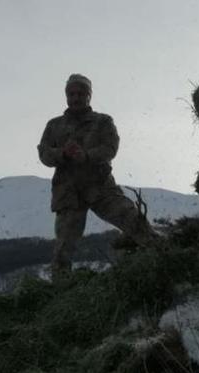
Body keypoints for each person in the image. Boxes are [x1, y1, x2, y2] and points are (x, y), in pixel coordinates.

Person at [37, 74, 158, 278]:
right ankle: (60, 288)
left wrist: (86, 156)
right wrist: (62, 154)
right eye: (71, 94)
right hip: (68, 193)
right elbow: (44, 154)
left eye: (80, 93)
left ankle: (163, 255)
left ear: (89, 95)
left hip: (100, 187)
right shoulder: (54, 125)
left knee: (133, 220)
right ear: (66, 96)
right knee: (63, 248)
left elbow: (110, 148)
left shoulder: (103, 121)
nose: (75, 98)